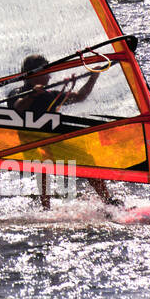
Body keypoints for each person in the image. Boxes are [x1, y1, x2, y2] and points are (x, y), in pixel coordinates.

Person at [11, 54, 116, 207]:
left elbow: (80, 97)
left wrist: (93, 77)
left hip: (53, 141)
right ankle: (46, 208)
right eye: (46, 73)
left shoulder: (50, 95)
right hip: (30, 143)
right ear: (34, 75)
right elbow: (18, 107)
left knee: (87, 159)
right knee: (43, 163)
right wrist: (32, 95)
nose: (49, 77)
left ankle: (108, 201)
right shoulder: (18, 93)